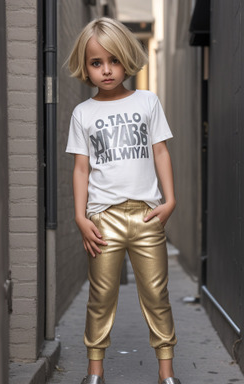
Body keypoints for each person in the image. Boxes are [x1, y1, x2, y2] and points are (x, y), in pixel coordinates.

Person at [66, 17, 181, 384]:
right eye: (96, 62)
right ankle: (94, 372)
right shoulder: (83, 113)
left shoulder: (148, 102)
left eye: (113, 60)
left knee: (157, 295)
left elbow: (160, 152)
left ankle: (166, 374)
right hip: (103, 220)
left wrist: (170, 200)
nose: (106, 70)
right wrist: (81, 217)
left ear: (127, 59)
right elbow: (81, 170)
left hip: (147, 217)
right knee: (100, 298)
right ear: (86, 67)